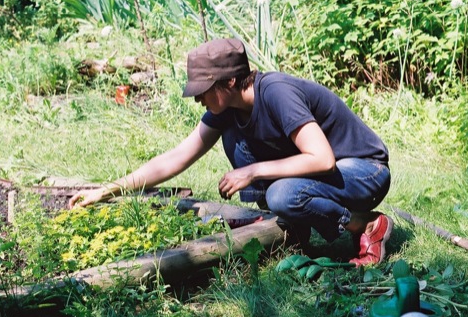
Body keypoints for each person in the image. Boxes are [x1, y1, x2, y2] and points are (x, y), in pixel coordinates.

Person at [69, 38, 392, 266]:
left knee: (281, 194)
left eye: (203, 91)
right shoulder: (228, 108)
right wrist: (109, 189)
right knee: (237, 141)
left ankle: (365, 224)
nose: (198, 99)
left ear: (231, 81)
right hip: (328, 176)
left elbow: (321, 158)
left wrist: (253, 171)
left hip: (363, 171)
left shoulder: (277, 92)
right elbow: (176, 157)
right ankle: (296, 226)